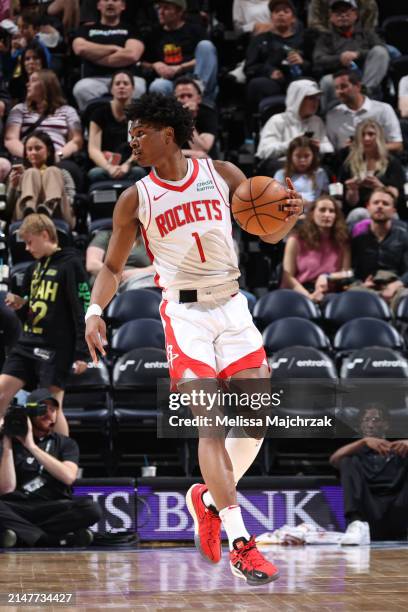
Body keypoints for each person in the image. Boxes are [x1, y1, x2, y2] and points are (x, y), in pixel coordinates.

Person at [85, 92, 304, 585]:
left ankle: (205, 498)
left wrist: (290, 213)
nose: (133, 140)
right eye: (131, 133)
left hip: (233, 305)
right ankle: (241, 543)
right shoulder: (134, 197)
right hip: (185, 315)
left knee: (256, 421)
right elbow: (114, 266)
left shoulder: (221, 173)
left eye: (140, 131)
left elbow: (267, 230)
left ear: (168, 131)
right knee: (211, 424)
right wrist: (94, 310)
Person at [0, 214, 90, 436]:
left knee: (51, 409)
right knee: (2, 393)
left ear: (45, 235)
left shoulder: (71, 263)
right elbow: (30, 314)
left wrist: (82, 352)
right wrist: (20, 307)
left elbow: (83, 308)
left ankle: (66, 463)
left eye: (30, 242)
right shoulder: (32, 270)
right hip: (27, 342)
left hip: (56, 347)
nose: (28, 249)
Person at [0, 388, 102, 548]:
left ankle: (22, 536)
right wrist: (7, 442)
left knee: (92, 509)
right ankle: (51, 539)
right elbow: (6, 488)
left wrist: (31, 446)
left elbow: (69, 477)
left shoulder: (65, 443)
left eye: (53, 409)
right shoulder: (9, 443)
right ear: (29, 413)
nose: (49, 414)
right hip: (17, 507)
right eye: (43, 409)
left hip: (52, 507)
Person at [330, 404, 408, 543]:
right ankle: (355, 523)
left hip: (398, 511)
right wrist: (363, 442)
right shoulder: (356, 453)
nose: (370, 424)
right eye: (366, 420)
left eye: (375, 420)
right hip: (367, 516)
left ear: (386, 425)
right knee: (347, 461)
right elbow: (334, 460)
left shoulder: (400, 450)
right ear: (360, 425)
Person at [4, 69, 84, 190]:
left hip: (57, 157)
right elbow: (10, 139)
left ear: (46, 85)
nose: (27, 84)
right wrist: (31, 156)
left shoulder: (68, 110)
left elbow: (77, 140)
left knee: (70, 170)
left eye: (33, 81)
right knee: (18, 170)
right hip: (27, 154)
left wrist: (58, 155)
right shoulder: (19, 109)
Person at [313, 0, 389, 113]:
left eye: (347, 13)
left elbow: (382, 51)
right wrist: (339, 58)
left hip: (365, 76)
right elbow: (318, 59)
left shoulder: (367, 33)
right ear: (331, 17)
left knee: (380, 51)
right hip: (340, 78)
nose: (343, 16)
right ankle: (327, 116)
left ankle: (363, 91)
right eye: (338, 14)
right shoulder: (325, 38)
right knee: (326, 81)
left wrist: (358, 54)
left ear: (355, 15)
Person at [72, 0, 145, 112]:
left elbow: (132, 55)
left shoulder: (131, 29)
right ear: (98, 5)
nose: (110, 3)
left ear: (123, 6)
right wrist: (114, 48)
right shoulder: (86, 29)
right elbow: (80, 48)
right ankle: (93, 124)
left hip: (126, 79)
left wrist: (94, 56)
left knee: (139, 88)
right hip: (94, 79)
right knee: (81, 88)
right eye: (105, 0)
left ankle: (130, 127)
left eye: (115, 0)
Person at [142, 0, 218, 104]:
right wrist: (154, 65)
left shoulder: (195, 30)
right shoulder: (154, 34)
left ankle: (198, 91)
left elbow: (207, 59)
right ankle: (169, 117)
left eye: (166, 8)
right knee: (157, 86)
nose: (161, 12)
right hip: (170, 82)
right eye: (159, 8)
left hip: (196, 78)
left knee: (206, 45)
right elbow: (142, 62)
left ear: (179, 12)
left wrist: (181, 67)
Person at [244, 0, 311, 114]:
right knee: (256, 84)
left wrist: (302, 63)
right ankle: (253, 128)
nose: (281, 14)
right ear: (271, 17)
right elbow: (249, 67)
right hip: (272, 82)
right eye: (276, 12)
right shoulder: (260, 39)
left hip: (297, 80)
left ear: (293, 18)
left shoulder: (305, 39)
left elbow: (316, 66)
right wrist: (269, 71)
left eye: (286, 11)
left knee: (308, 84)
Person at [282, 195, 351, 301]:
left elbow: (346, 273)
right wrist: (308, 296)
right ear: (312, 213)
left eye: (331, 211)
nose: (327, 214)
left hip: (331, 293)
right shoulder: (295, 240)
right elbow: (288, 277)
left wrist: (326, 276)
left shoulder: (342, 241)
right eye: (322, 210)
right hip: (300, 292)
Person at [256, 79, 333, 171]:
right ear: (297, 99)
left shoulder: (317, 121)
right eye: (311, 98)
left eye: (317, 98)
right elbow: (264, 151)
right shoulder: (277, 120)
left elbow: (329, 148)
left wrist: (318, 147)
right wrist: (291, 144)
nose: (315, 102)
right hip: (283, 167)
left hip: (310, 167)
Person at [351, 188, 408, 311]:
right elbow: (351, 270)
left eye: (385, 203)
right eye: (376, 202)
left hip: (396, 286)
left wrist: (396, 285)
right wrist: (361, 284)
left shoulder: (403, 236)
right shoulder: (358, 239)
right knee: (352, 295)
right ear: (368, 207)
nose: (380, 206)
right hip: (366, 287)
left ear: (393, 211)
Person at [87, 69, 146, 183]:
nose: (121, 86)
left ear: (133, 89)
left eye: (126, 83)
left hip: (132, 165)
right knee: (95, 174)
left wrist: (127, 165)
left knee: (139, 172)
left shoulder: (138, 115)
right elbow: (93, 149)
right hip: (105, 165)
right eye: (117, 83)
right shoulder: (99, 113)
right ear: (111, 89)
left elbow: (141, 146)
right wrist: (109, 168)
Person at [6, 129, 76, 226]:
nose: (33, 152)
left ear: (49, 151)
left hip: (57, 214)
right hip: (24, 217)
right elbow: (8, 209)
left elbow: (71, 200)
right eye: (29, 149)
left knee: (52, 171)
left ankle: (48, 207)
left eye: (38, 148)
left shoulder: (62, 173)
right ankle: (29, 210)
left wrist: (54, 190)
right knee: (31, 172)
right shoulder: (20, 174)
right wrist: (14, 187)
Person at [339, 119, 405, 220]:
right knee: (357, 213)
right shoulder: (349, 163)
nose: (366, 138)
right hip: (359, 209)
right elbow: (350, 203)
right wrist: (353, 190)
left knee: (392, 215)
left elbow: (397, 197)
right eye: (362, 135)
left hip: (383, 208)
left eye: (371, 134)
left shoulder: (391, 162)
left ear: (378, 137)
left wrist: (380, 187)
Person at [326, 69, 403, 153]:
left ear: (358, 86)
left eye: (344, 86)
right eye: (336, 88)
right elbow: (333, 150)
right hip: (346, 162)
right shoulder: (332, 115)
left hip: (379, 160)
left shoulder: (383, 109)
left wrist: (367, 148)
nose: (339, 91)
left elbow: (397, 145)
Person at [86, 229, 155, 290]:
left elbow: (159, 266)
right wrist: (119, 276)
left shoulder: (147, 238)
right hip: (107, 283)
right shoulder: (105, 235)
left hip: (141, 283)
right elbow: (92, 264)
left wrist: (131, 275)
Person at [274, 135, 329, 207]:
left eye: (306, 156)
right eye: (298, 156)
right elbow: (276, 201)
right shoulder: (281, 174)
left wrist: (308, 204)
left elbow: (324, 199)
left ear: (313, 156)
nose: (302, 160)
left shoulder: (320, 173)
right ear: (290, 156)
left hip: (313, 214)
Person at [174, 76, 218, 158]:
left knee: (200, 157)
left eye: (189, 96)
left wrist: (187, 119)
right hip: (175, 161)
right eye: (181, 96)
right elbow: (163, 152)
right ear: (175, 99)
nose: (185, 100)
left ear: (199, 98)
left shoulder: (208, 114)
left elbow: (201, 150)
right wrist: (189, 153)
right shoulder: (168, 116)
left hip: (202, 162)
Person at [308, 0, 378, 33]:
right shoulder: (318, 2)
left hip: (359, 42)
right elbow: (314, 25)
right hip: (327, 41)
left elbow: (369, 29)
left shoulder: (368, 4)